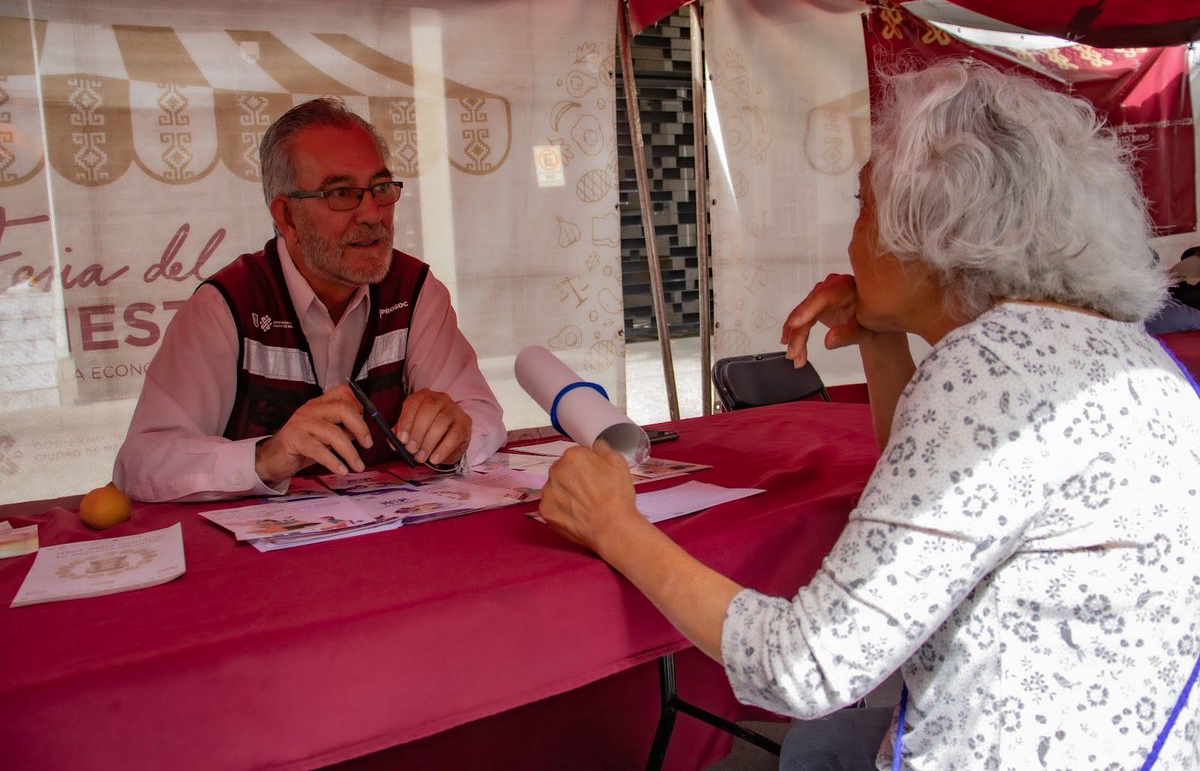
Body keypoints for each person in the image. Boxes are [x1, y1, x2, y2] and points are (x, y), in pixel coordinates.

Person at [539, 61, 1200, 770]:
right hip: (1140, 744)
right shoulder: (1119, 351)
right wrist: (884, 341)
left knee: (814, 743)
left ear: (931, 230)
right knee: (825, 749)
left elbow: (809, 666)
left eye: (864, 206)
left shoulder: (989, 366)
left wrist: (615, 526)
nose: (851, 241)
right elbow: (940, 514)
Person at [114, 98, 505, 502]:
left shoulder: (415, 290)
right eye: (341, 193)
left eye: (381, 188)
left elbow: (482, 414)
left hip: (397, 548)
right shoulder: (225, 307)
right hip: (265, 561)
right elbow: (142, 463)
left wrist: (457, 434)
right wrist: (268, 456)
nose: (373, 213)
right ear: (286, 217)